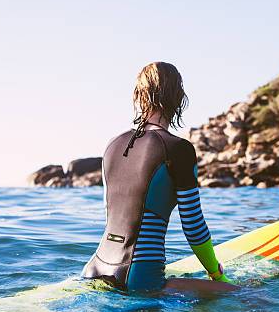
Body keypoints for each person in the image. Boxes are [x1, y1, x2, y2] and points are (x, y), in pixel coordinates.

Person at [82, 62, 236, 293]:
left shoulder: (112, 146)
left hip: (96, 268)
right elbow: (193, 226)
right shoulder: (178, 149)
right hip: (138, 276)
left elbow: (110, 211)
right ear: (178, 97)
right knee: (245, 295)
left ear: (139, 95)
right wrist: (216, 273)